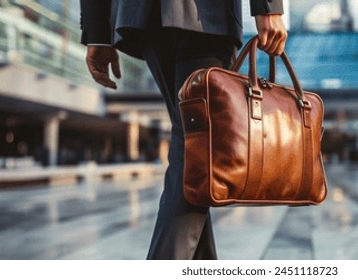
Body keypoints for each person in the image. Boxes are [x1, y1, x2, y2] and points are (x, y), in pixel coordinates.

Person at [80, 0, 288, 260]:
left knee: (194, 148)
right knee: (196, 152)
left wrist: (98, 32)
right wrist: (268, 8)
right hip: (206, 17)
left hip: (145, 17)